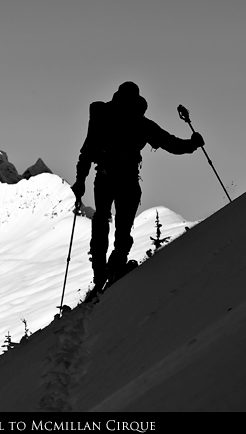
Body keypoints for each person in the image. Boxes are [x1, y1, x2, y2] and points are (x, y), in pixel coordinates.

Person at [72, 81, 204, 294]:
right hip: (127, 180)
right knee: (123, 227)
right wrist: (193, 144)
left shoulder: (101, 115)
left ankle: (100, 274)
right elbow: (172, 144)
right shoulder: (141, 123)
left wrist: (80, 181)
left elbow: (87, 151)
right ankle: (116, 267)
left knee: (100, 221)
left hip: (103, 177)